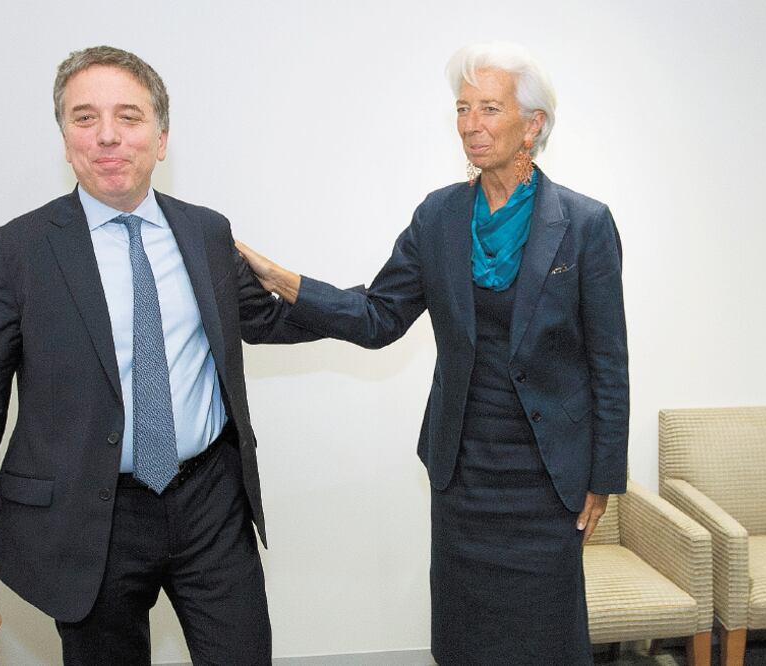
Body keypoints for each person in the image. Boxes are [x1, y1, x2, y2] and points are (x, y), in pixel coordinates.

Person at [237, 42, 629, 665]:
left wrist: (604, 479)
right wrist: (284, 281)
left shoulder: (584, 223)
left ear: (533, 124)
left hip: (547, 480)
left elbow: (609, 362)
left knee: (545, 641)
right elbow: (377, 316)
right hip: (463, 472)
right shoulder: (440, 215)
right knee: (466, 637)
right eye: (462, 108)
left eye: (489, 108)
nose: (471, 124)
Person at [0, 46, 306, 665]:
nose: (107, 136)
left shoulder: (207, 233)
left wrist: (369, 302)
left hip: (209, 503)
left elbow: (268, 317)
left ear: (161, 139)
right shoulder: (16, 252)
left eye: (129, 117)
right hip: (87, 519)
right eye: (85, 118)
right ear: (64, 137)